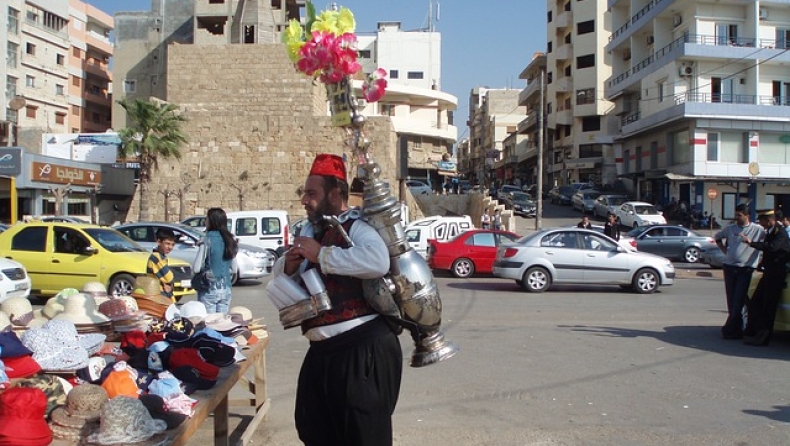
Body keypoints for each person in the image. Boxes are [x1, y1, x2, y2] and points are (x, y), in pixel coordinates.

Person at [274, 153, 402, 446]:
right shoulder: (309, 230)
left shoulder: (357, 227)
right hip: (322, 354)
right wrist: (289, 266)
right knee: (314, 430)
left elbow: (377, 261)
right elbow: (281, 273)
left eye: (311, 193)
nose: (304, 200)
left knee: (363, 437)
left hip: (362, 353)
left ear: (335, 194)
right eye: (304, 193)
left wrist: (321, 255)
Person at [739, 209, 790, 346]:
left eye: (762, 221)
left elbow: (772, 248)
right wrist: (761, 265)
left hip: (777, 274)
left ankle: (763, 338)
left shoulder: (780, 233)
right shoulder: (771, 231)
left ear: (768, 220)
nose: (761, 224)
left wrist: (751, 243)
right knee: (755, 302)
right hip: (769, 272)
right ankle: (756, 332)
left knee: (769, 307)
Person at [714, 204, 764, 340]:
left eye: (739, 215)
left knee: (739, 299)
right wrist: (725, 251)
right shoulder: (730, 229)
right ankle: (736, 329)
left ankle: (730, 328)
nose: (737, 218)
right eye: (735, 215)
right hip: (730, 267)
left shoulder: (757, 230)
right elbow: (717, 237)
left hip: (745, 268)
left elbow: (765, 244)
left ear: (747, 215)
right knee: (731, 300)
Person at [199, 207, 238, 314]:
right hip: (226, 288)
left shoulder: (207, 239)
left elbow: (196, 268)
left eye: (206, 218)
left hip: (209, 288)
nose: (205, 221)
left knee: (210, 323)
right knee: (222, 324)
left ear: (212, 221)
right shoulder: (230, 239)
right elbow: (234, 269)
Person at [147, 228, 177, 302]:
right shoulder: (156, 257)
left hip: (163, 294)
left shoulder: (162, 257)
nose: (170, 247)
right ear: (159, 242)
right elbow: (169, 278)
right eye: (167, 243)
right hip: (158, 295)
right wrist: (169, 283)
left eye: (172, 244)